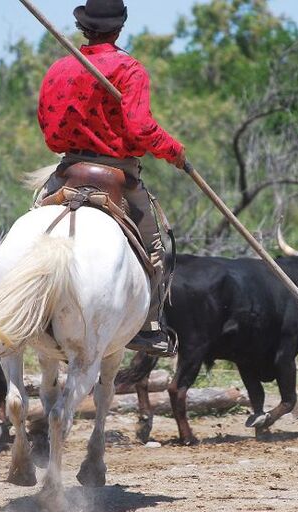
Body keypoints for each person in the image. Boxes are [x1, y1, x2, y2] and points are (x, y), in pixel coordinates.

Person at [36, 0, 186, 357]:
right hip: (117, 175)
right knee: (159, 247)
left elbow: (48, 129)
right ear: (119, 28)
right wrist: (174, 150)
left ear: (84, 27)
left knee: (29, 226)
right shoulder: (129, 69)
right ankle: (148, 327)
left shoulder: (60, 69)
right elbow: (140, 128)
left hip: (67, 171)